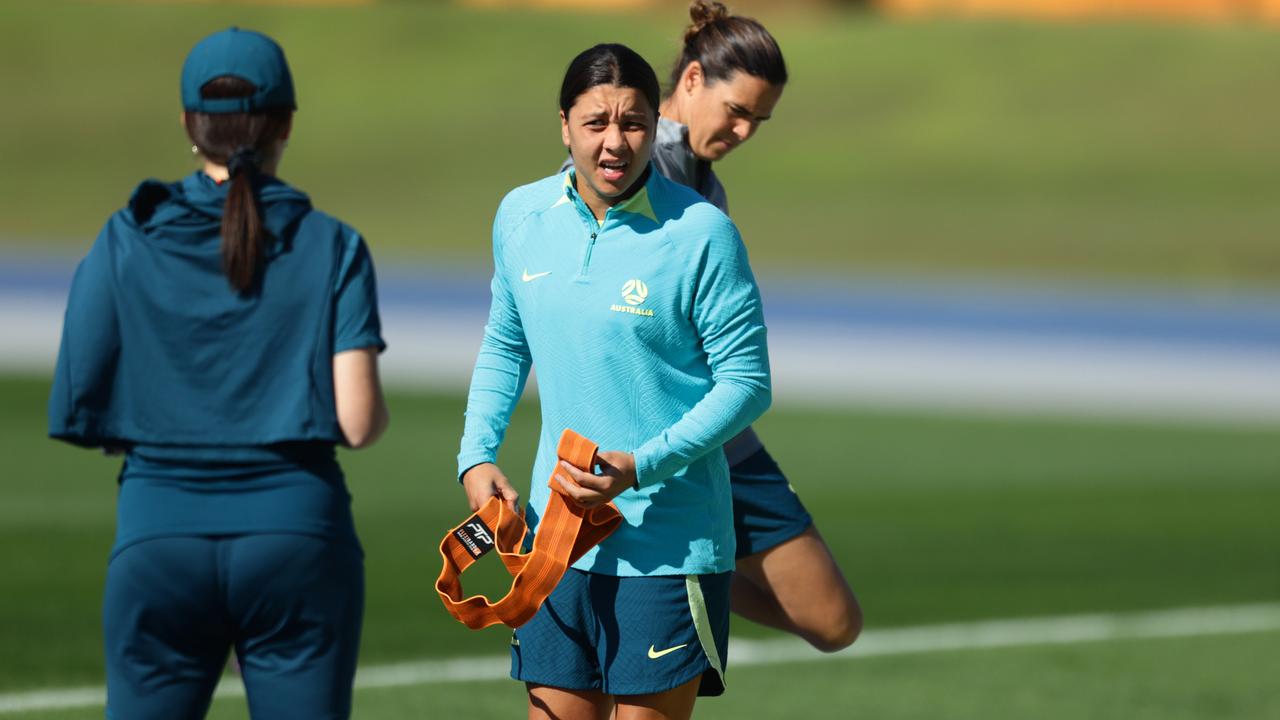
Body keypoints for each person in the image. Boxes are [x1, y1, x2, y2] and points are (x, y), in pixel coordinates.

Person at [47, 28, 388, 720]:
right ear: (286, 124)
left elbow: (81, 396)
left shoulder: (126, 236)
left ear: (187, 125)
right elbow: (357, 422)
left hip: (158, 535)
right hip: (298, 537)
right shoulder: (334, 243)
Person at [458, 43, 771, 720]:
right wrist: (476, 458)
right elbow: (505, 346)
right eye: (596, 122)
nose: (614, 142)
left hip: (670, 549)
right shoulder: (521, 217)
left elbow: (748, 384)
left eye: (633, 123)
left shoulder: (703, 235)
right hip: (554, 542)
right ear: (564, 124)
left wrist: (641, 465)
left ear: (655, 124)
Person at [656, 1, 863, 652]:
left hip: (721, 432)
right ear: (692, 81)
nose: (744, 131)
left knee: (831, 621)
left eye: (759, 121)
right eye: (737, 111)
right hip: (654, 441)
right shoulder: (629, 166)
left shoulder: (703, 185)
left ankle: (677, 573)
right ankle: (657, 577)